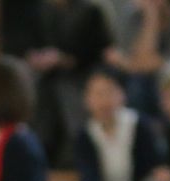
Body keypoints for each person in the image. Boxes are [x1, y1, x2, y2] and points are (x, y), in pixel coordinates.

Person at [25, 0, 114, 166]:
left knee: (66, 93)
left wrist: (65, 59)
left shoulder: (90, 11)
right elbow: (32, 44)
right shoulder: (44, 11)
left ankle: (74, 155)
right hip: (50, 76)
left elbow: (101, 49)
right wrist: (38, 58)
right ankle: (41, 152)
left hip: (83, 72)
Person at [103, 0, 170, 115]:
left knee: (149, 85)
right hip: (147, 78)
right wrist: (151, 17)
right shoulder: (134, 13)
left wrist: (129, 65)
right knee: (135, 84)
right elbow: (138, 56)